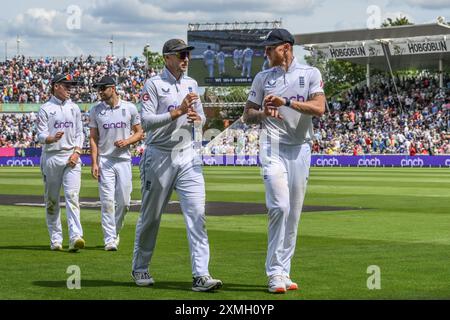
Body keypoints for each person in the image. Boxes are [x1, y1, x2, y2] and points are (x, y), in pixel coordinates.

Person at [132, 39, 222, 292]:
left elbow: (202, 118)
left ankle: (201, 275)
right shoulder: (154, 84)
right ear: (167, 58)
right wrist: (177, 111)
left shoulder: (191, 83)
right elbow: (146, 122)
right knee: (151, 216)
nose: (186, 58)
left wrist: (197, 118)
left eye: (188, 55)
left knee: (197, 215)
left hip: (188, 154)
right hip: (159, 155)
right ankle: (140, 267)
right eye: (181, 54)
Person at [243, 29, 326, 293]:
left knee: (294, 214)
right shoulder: (262, 77)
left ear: (286, 48)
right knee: (279, 207)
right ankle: (274, 273)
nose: (265, 52)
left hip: (300, 148)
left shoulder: (310, 73)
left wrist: (286, 102)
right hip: (272, 146)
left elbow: (319, 108)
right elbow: (247, 115)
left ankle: (285, 272)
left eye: (270, 48)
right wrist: (262, 112)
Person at [88, 76, 143, 251]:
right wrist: (94, 162)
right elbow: (93, 138)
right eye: (98, 89)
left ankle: (115, 231)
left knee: (125, 203)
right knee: (107, 202)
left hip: (124, 160)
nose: (100, 92)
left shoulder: (130, 108)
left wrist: (127, 142)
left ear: (112, 88)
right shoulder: (95, 110)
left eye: (102, 88)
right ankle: (109, 239)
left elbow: (139, 133)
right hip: (105, 160)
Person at [36, 74, 85, 252]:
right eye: (66, 86)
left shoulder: (74, 107)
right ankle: (56, 239)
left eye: (71, 86)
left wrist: (77, 152)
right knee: (52, 200)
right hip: (51, 156)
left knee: (72, 197)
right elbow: (40, 135)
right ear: (56, 86)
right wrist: (50, 138)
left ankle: (75, 237)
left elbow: (80, 133)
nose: (70, 89)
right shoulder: (45, 109)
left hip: (71, 156)